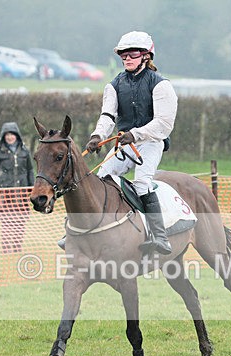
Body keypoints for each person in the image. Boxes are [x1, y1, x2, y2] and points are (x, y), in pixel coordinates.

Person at [81, 30, 178, 255]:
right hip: (124, 145)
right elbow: (107, 117)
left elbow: (164, 124)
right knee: (98, 180)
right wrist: (97, 137)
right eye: (123, 55)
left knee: (142, 184)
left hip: (151, 143)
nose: (126, 58)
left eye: (131, 54)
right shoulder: (114, 85)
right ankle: (87, 233)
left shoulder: (161, 85)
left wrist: (135, 134)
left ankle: (159, 236)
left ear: (146, 56)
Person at [0, 122, 34, 254]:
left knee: (20, 221)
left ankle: (17, 246)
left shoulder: (25, 151)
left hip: (22, 193)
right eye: (7, 135)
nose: (10, 137)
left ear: (17, 135)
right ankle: (6, 248)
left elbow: (30, 170)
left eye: (12, 134)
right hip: (5, 192)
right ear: (3, 136)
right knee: (6, 222)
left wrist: (33, 188)